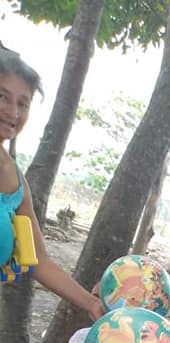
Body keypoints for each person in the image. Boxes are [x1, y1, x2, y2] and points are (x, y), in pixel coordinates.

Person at [0, 50, 102, 318]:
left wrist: (91, 303)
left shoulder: (16, 182)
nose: (12, 111)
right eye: (2, 97)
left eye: (23, 103)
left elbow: (39, 261)